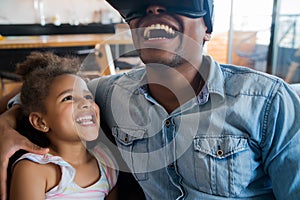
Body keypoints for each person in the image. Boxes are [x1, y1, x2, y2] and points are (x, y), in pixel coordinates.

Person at [1, 0, 300, 199]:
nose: (154, 7)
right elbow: (45, 97)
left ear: (207, 28)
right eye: (139, 2)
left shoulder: (267, 103)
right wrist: (6, 122)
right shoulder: (108, 94)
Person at [7, 52, 118, 200]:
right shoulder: (33, 170)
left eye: (88, 97)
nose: (85, 103)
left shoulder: (106, 162)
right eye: (68, 98)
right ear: (41, 122)